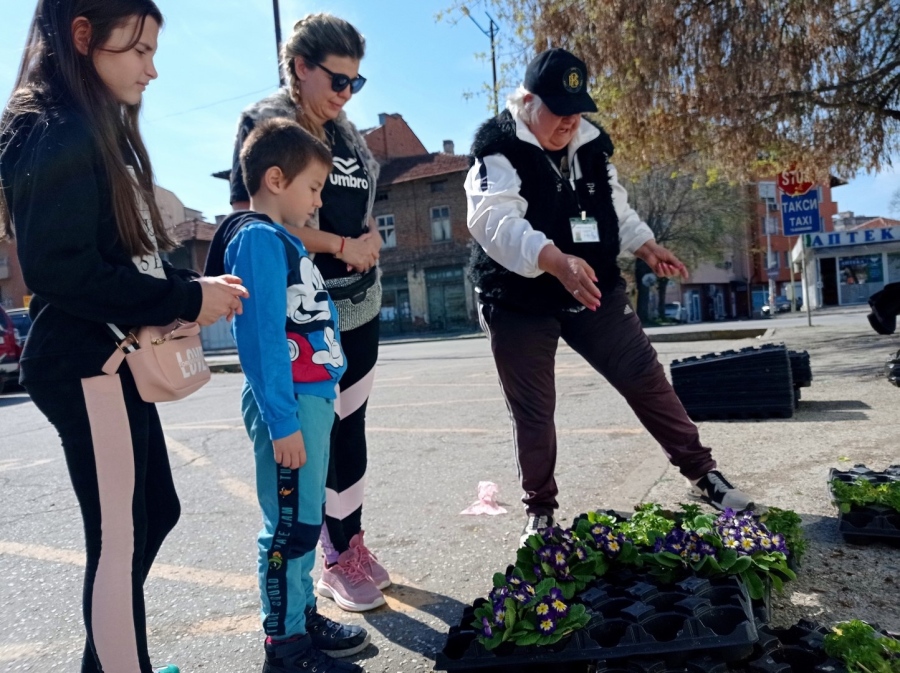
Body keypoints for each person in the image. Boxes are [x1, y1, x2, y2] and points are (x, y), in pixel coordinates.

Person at [0, 2, 248, 672]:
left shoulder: (83, 124)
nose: (153, 68)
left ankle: (112, 659)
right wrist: (189, 296)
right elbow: (64, 268)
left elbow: (112, 257)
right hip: (89, 365)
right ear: (83, 37)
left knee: (154, 512)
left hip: (107, 359)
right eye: (137, 49)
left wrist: (185, 287)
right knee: (120, 536)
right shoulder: (50, 127)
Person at [464, 48, 754, 544]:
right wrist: (554, 259)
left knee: (643, 375)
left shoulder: (592, 144)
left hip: (590, 282)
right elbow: (494, 221)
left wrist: (644, 245)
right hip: (517, 297)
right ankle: (541, 510)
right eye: (559, 109)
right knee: (535, 408)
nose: (570, 121)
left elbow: (613, 207)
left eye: (578, 109)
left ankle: (703, 473)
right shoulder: (498, 147)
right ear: (529, 100)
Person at [217, 12, 387, 613]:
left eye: (355, 84)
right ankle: (321, 568)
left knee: (352, 427)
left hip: (358, 307)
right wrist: (343, 246)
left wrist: (368, 239)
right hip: (302, 318)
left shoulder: (349, 136)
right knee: (314, 438)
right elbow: (258, 223)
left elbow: (365, 200)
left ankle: (351, 544)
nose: (346, 95)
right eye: (337, 81)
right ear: (300, 68)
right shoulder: (269, 127)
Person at [223, 117, 368, 673]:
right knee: (288, 527)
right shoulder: (259, 239)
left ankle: (300, 616)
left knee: (305, 521)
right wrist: (283, 422)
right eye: (313, 188)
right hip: (290, 407)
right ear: (276, 179)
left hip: (310, 401)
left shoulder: (282, 241)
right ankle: (285, 648)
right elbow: (260, 338)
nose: (317, 202)